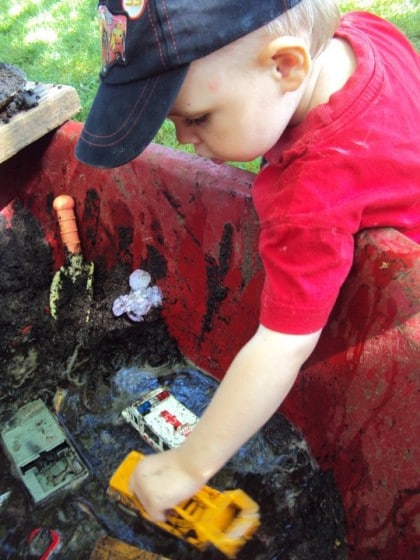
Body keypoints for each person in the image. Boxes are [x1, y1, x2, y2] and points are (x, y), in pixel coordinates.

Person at [76, 0, 419, 522]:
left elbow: (282, 348)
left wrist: (188, 466)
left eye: (196, 118)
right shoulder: (368, 34)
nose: (185, 141)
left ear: (286, 66)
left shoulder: (307, 195)